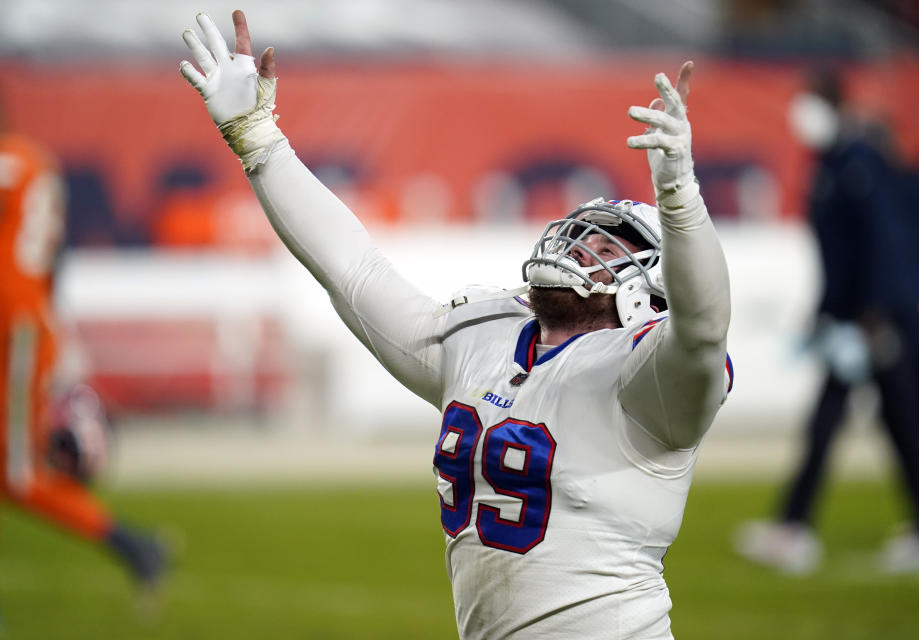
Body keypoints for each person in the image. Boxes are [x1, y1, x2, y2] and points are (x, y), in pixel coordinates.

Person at [180, 10, 731, 638]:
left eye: (610, 248)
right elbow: (353, 271)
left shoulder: (652, 384)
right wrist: (257, 139)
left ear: (650, 293)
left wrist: (681, 198)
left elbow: (703, 326)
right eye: (582, 234)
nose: (581, 248)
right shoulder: (485, 341)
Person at [734, 68, 919, 575]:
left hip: (874, 320)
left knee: (875, 421)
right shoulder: (834, 164)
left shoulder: (857, 164)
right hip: (857, 319)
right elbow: (842, 255)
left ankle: (799, 527)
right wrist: (826, 315)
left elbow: (880, 244)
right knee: (896, 422)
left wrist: (872, 314)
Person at [0, 101, 167, 590]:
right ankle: (131, 543)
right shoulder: (36, 162)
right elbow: (56, 257)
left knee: (17, 474)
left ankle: (128, 542)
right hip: (28, 321)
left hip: (15, 328)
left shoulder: (13, 162)